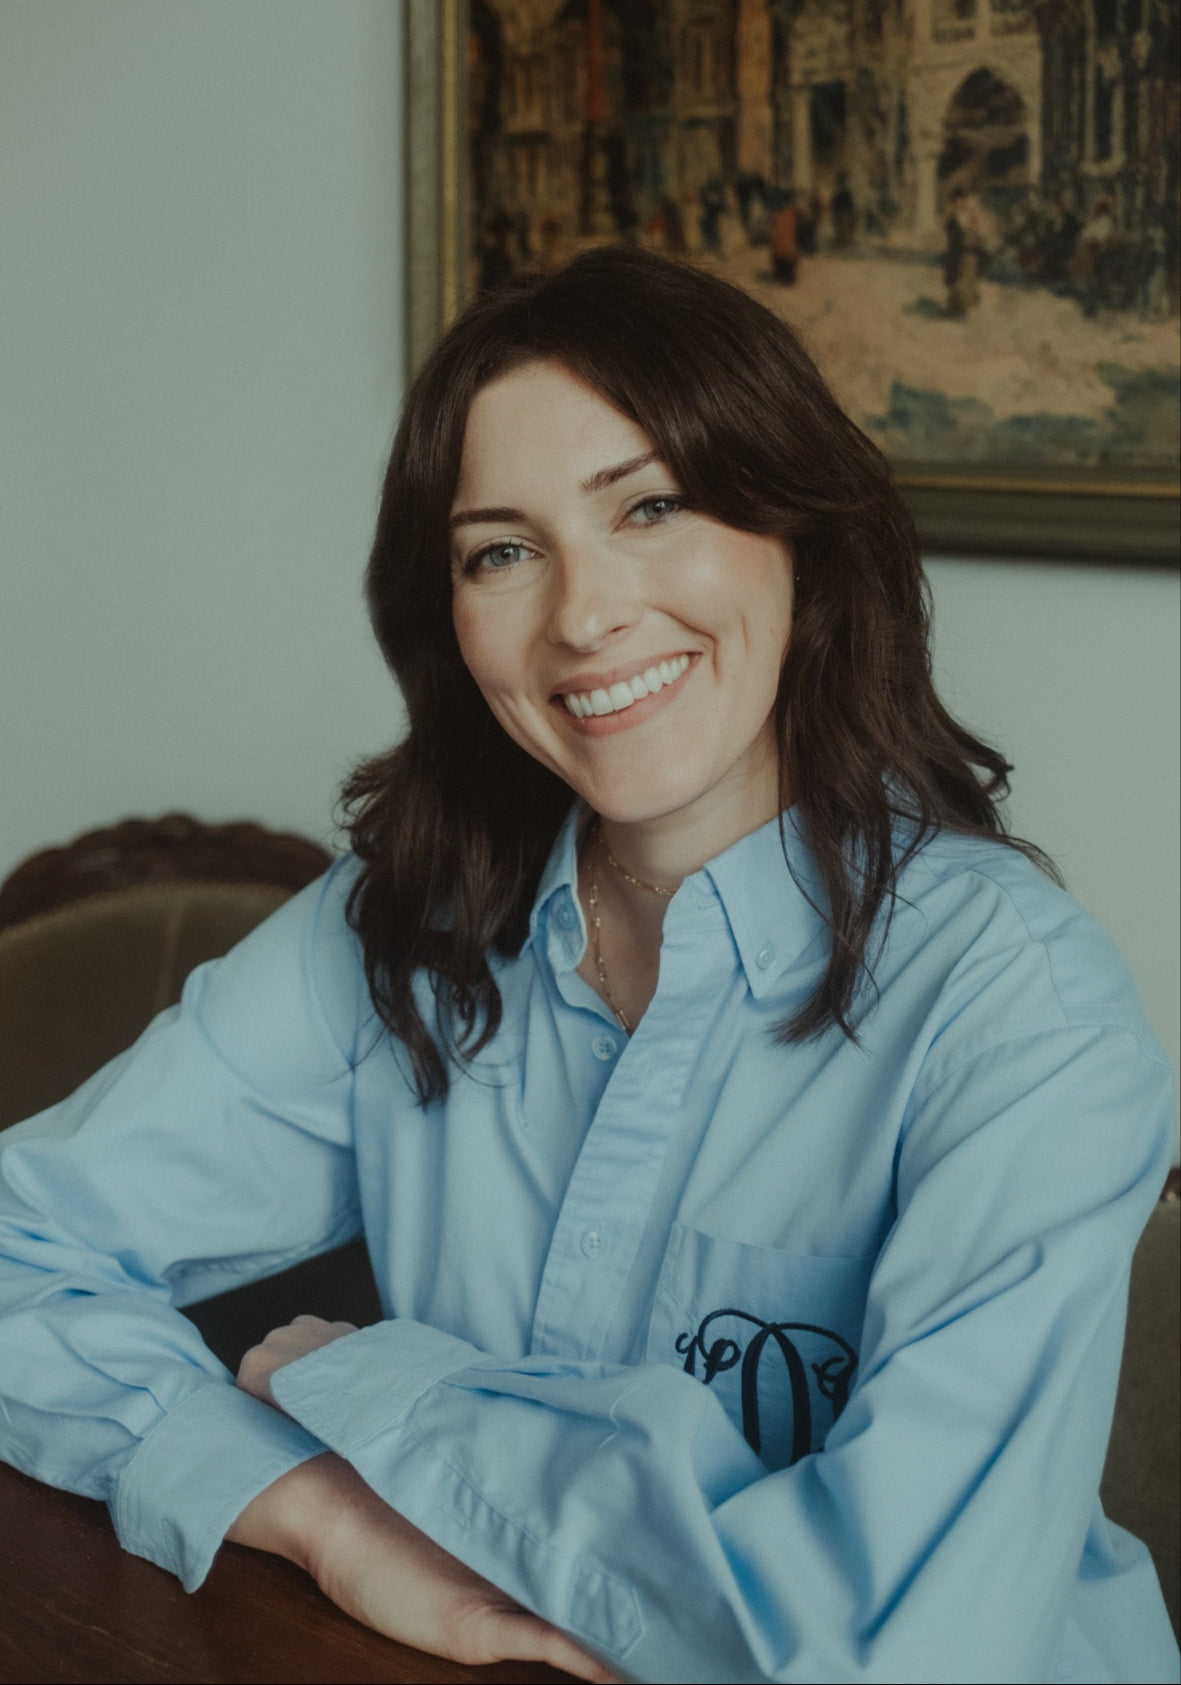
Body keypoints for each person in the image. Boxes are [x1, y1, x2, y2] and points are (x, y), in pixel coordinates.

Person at [0, 246, 1176, 1684]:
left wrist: (376, 1383)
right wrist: (311, 1509)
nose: (581, 614)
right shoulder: (403, 923)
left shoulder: (1015, 1002)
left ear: (798, 533)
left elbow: (879, 1640)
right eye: (503, 548)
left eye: (651, 505)